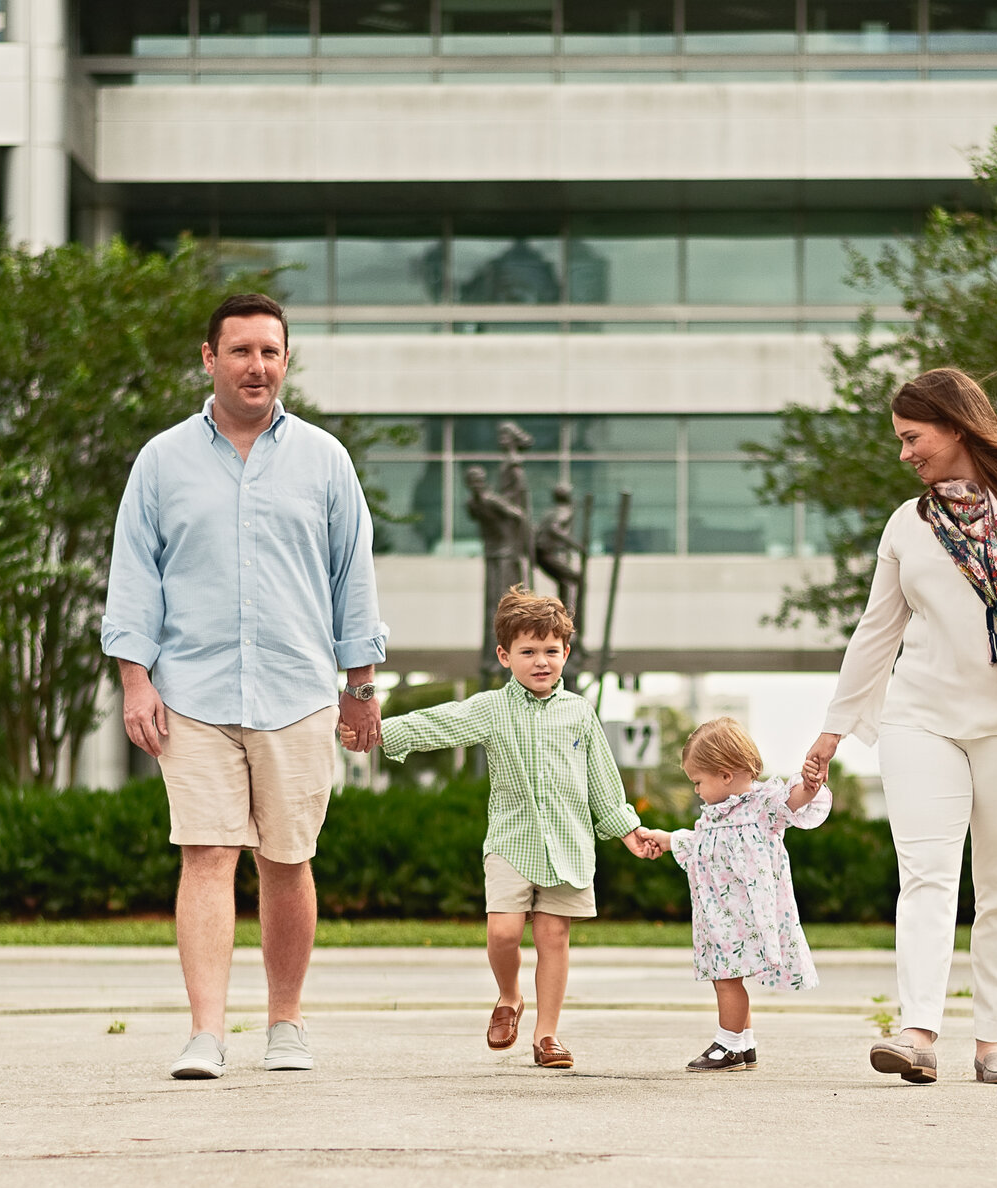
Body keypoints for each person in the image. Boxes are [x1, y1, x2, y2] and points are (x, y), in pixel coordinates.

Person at [101, 293, 388, 1082]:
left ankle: (285, 1024)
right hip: (190, 692)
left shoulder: (325, 460)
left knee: (288, 860)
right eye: (240, 351)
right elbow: (134, 576)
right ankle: (205, 1033)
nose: (256, 365)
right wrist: (135, 679)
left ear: (285, 361)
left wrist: (360, 686)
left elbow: (350, 576)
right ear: (208, 358)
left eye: (269, 351)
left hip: (297, 691)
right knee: (206, 853)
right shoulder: (161, 460)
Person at [801, 368, 997, 1087]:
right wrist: (834, 729)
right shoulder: (910, 524)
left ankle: (992, 1040)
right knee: (926, 874)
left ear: (956, 426)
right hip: (922, 716)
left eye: (912, 437)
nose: (903, 454)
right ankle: (918, 1031)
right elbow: (877, 632)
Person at [353, 586, 660, 1071]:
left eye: (551, 651)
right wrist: (377, 732)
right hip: (511, 843)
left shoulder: (579, 712)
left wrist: (629, 831)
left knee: (554, 937)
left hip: (569, 846)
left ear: (566, 653)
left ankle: (547, 1035)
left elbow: (602, 778)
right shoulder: (493, 708)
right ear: (504, 655)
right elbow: (440, 723)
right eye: (528, 652)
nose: (541, 661)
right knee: (502, 933)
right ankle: (509, 995)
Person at [633, 717, 831, 1072]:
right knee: (727, 974)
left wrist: (810, 785)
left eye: (697, 782)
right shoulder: (714, 816)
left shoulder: (761, 808)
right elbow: (704, 845)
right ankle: (745, 1044)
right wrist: (667, 839)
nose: (695, 790)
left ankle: (727, 1044)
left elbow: (795, 801)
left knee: (727, 977)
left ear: (725, 775)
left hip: (743, 918)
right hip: (718, 914)